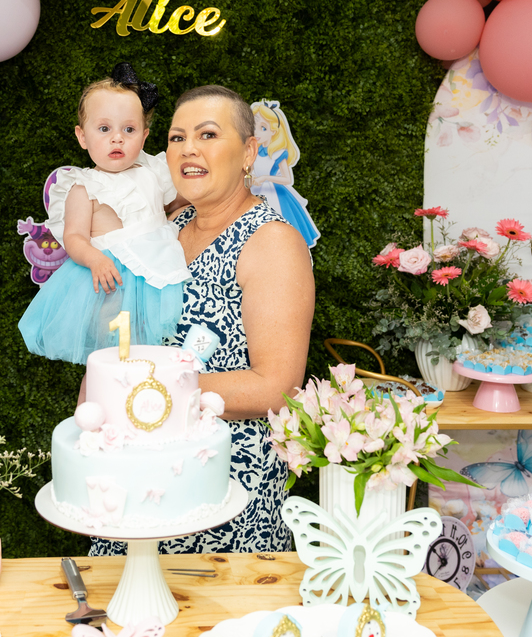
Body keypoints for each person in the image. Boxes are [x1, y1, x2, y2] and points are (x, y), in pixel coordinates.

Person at [90, 85, 315, 555]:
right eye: (177, 138)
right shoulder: (166, 231)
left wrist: (142, 393)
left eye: (208, 134)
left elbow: (276, 386)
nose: (188, 148)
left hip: (223, 490)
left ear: (248, 153)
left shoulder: (271, 241)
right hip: (139, 479)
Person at [18, 64, 190, 364]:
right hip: (111, 279)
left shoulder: (153, 171)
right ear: (82, 136)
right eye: (104, 129)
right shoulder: (83, 187)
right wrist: (94, 259)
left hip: (156, 270)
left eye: (129, 130)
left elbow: (176, 203)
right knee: (112, 352)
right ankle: (104, 382)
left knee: (150, 351)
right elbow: (74, 237)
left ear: (144, 137)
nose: (117, 138)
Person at [249, 100, 320, 248]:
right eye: (254, 127)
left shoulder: (278, 153)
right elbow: (249, 171)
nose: (257, 132)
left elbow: (287, 179)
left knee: (279, 230)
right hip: (255, 192)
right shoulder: (254, 151)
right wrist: (251, 178)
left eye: (263, 128)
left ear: (273, 131)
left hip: (275, 194)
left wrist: (265, 178)